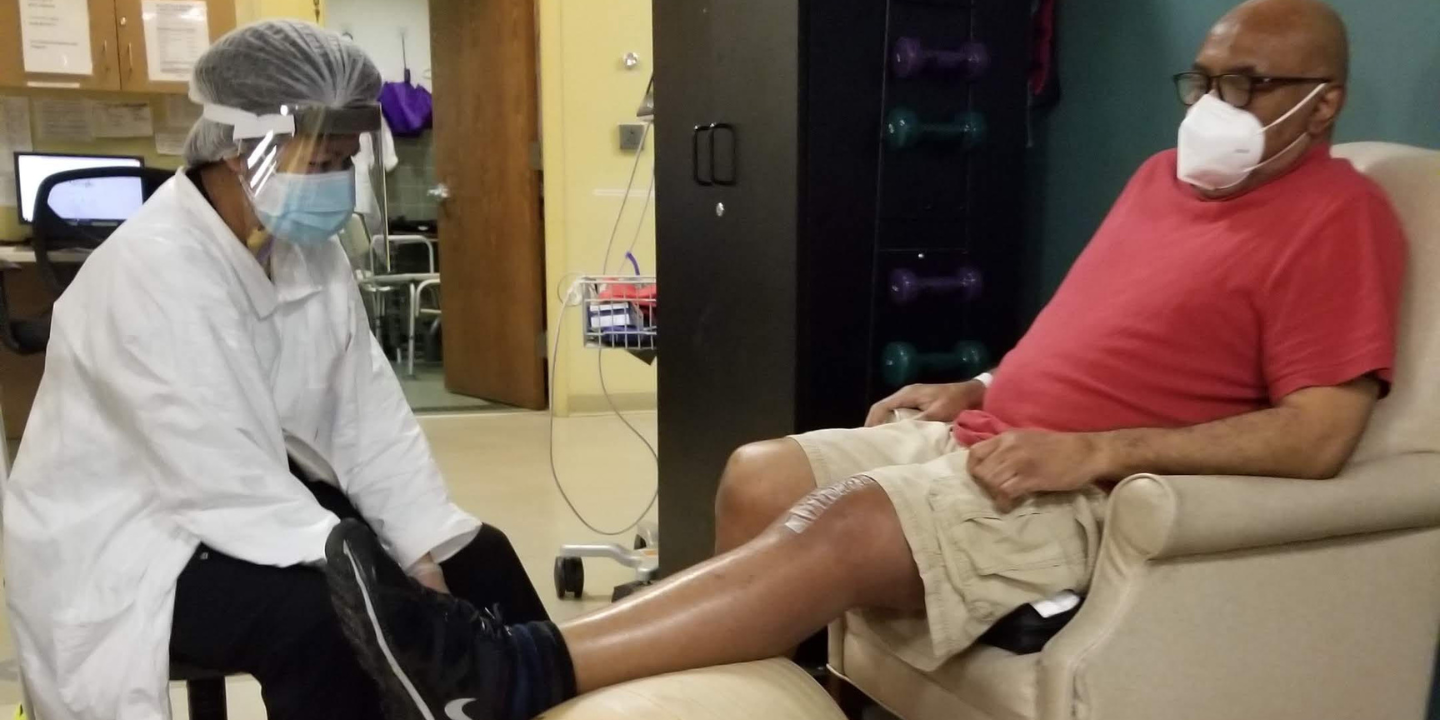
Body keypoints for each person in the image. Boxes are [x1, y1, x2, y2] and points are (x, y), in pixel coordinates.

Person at [322, 0, 1407, 718]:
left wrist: (1088, 452)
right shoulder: (1159, 182)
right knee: (758, 473)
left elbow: (1321, 436)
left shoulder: (1340, 219)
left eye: (1251, 85)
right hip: (993, 432)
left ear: (1326, 101)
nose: (1216, 111)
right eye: (1203, 80)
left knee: (836, 526)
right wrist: (980, 387)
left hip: (1091, 486)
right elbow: (1094, 328)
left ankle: (511, 670)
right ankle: (744, 702)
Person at [2, 20, 548, 720]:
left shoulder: (301, 251)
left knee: (482, 558)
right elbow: (216, 476)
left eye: (344, 160)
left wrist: (423, 547)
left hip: (250, 490)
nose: (335, 183)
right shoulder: (152, 269)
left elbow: (366, 415)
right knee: (324, 619)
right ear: (241, 148)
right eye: (318, 162)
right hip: (138, 529)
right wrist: (374, 574)